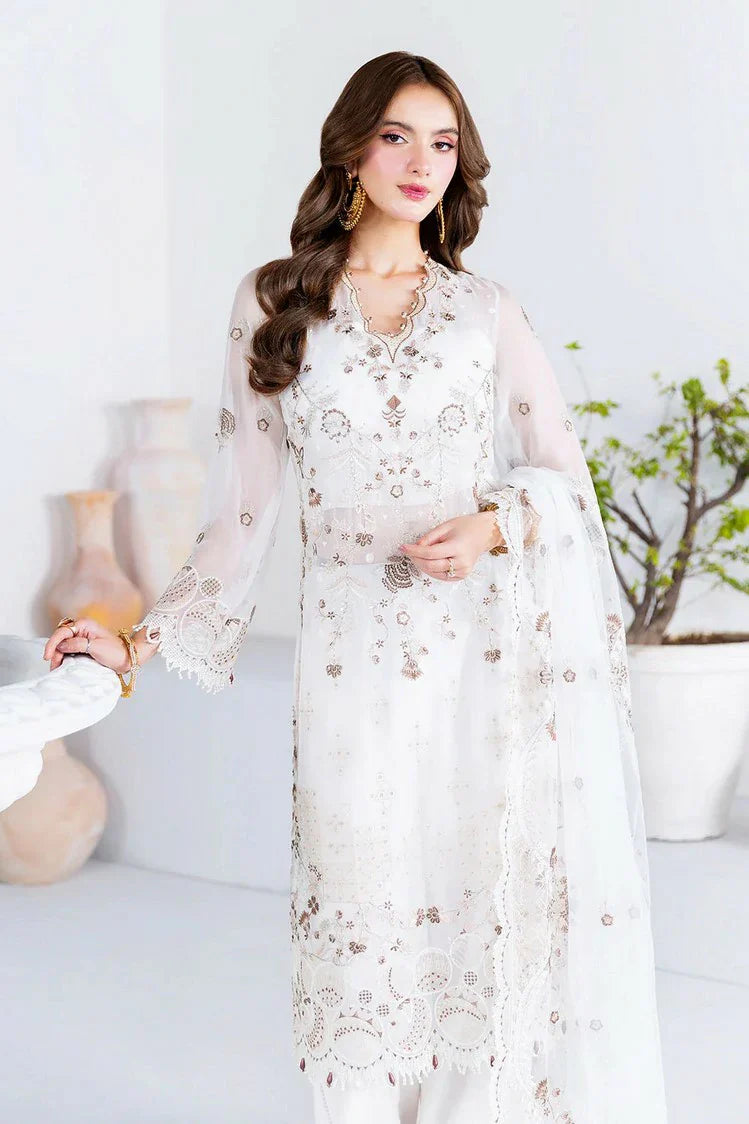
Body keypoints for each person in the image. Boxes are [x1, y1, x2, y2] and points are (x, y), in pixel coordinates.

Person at [43, 51, 669, 1124]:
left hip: (483, 661)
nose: (422, 162)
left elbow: (563, 481)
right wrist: (131, 645)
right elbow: (240, 519)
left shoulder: (483, 312)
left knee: (478, 918)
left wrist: (494, 525)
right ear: (350, 147)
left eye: (442, 142)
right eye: (396, 136)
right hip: (352, 672)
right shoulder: (274, 303)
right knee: (362, 919)